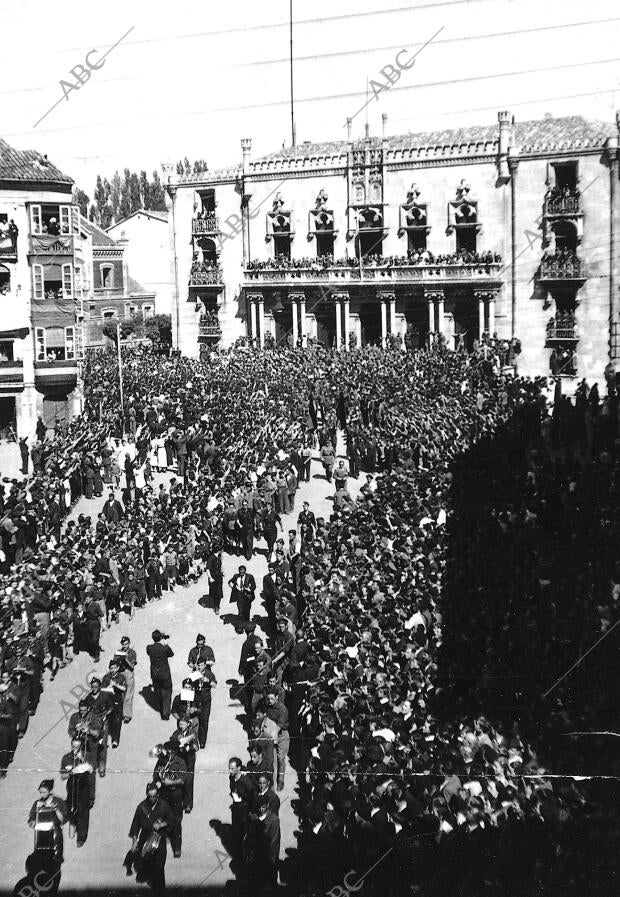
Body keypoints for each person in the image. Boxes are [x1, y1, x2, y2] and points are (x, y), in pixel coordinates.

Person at [128, 782, 174, 896]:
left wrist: (162, 824)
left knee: (159, 866)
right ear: (146, 795)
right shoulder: (141, 807)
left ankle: (160, 890)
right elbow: (135, 826)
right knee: (149, 864)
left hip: (159, 840)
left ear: (157, 795)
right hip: (145, 840)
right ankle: (153, 883)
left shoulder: (164, 806)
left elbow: (172, 821)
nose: (152, 798)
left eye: (154, 796)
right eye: (150, 796)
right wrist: (134, 841)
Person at [152, 742, 186, 858]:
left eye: (169, 751)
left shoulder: (180, 762)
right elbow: (155, 775)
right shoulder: (162, 761)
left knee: (176, 821)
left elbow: (182, 780)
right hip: (163, 793)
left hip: (176, 793)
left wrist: (171, 782)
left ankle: (177, 847)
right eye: (166, 750)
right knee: (160, 818)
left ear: (174, 751)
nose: (167, 753)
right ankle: (157, 846)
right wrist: (157, 781)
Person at [60, 737, 93, 846]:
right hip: (72, 786)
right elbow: (63, 776)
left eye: (77, 747)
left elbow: (91, 770)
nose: (75, 749)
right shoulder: (66, 758)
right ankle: (73, 825)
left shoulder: (87, 756)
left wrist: (82, 761)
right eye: (73, 747)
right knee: (71, 807)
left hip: (83, 787)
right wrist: (71, 772)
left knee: (83, 811)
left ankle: (81, 837)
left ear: (81, 747)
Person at [27, 780, 67, 863]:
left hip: (55, 835)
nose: (41, 794)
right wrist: (34, 819)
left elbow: (63, 820)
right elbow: (31, 822)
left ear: (50, 791)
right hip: (41, 836)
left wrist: (56, 809)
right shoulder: (37, 803)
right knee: (41, 860)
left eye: (44, 792)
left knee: (55, 860)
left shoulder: (59, 802)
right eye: (40, 792)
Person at [228, 756, 257, 861]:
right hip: (236, 809)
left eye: (232, 768)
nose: (230, 771)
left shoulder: (245, 781)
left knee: (245, 835)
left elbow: (253, 795)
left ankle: (247, 857)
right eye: (229, 768)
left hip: (245, 810)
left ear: (239, 768)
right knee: (237, 832)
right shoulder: (232, 777)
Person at [147, 630, 174, 721]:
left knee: (158, 691)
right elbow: (171, 654)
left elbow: (149, 651)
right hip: (165, 673)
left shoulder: (149, 648)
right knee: (167, 691)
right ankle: (165, 713)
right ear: (161, 638)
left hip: (155, 674)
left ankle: (160, 707)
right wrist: (165, 644)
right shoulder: (164, 648)